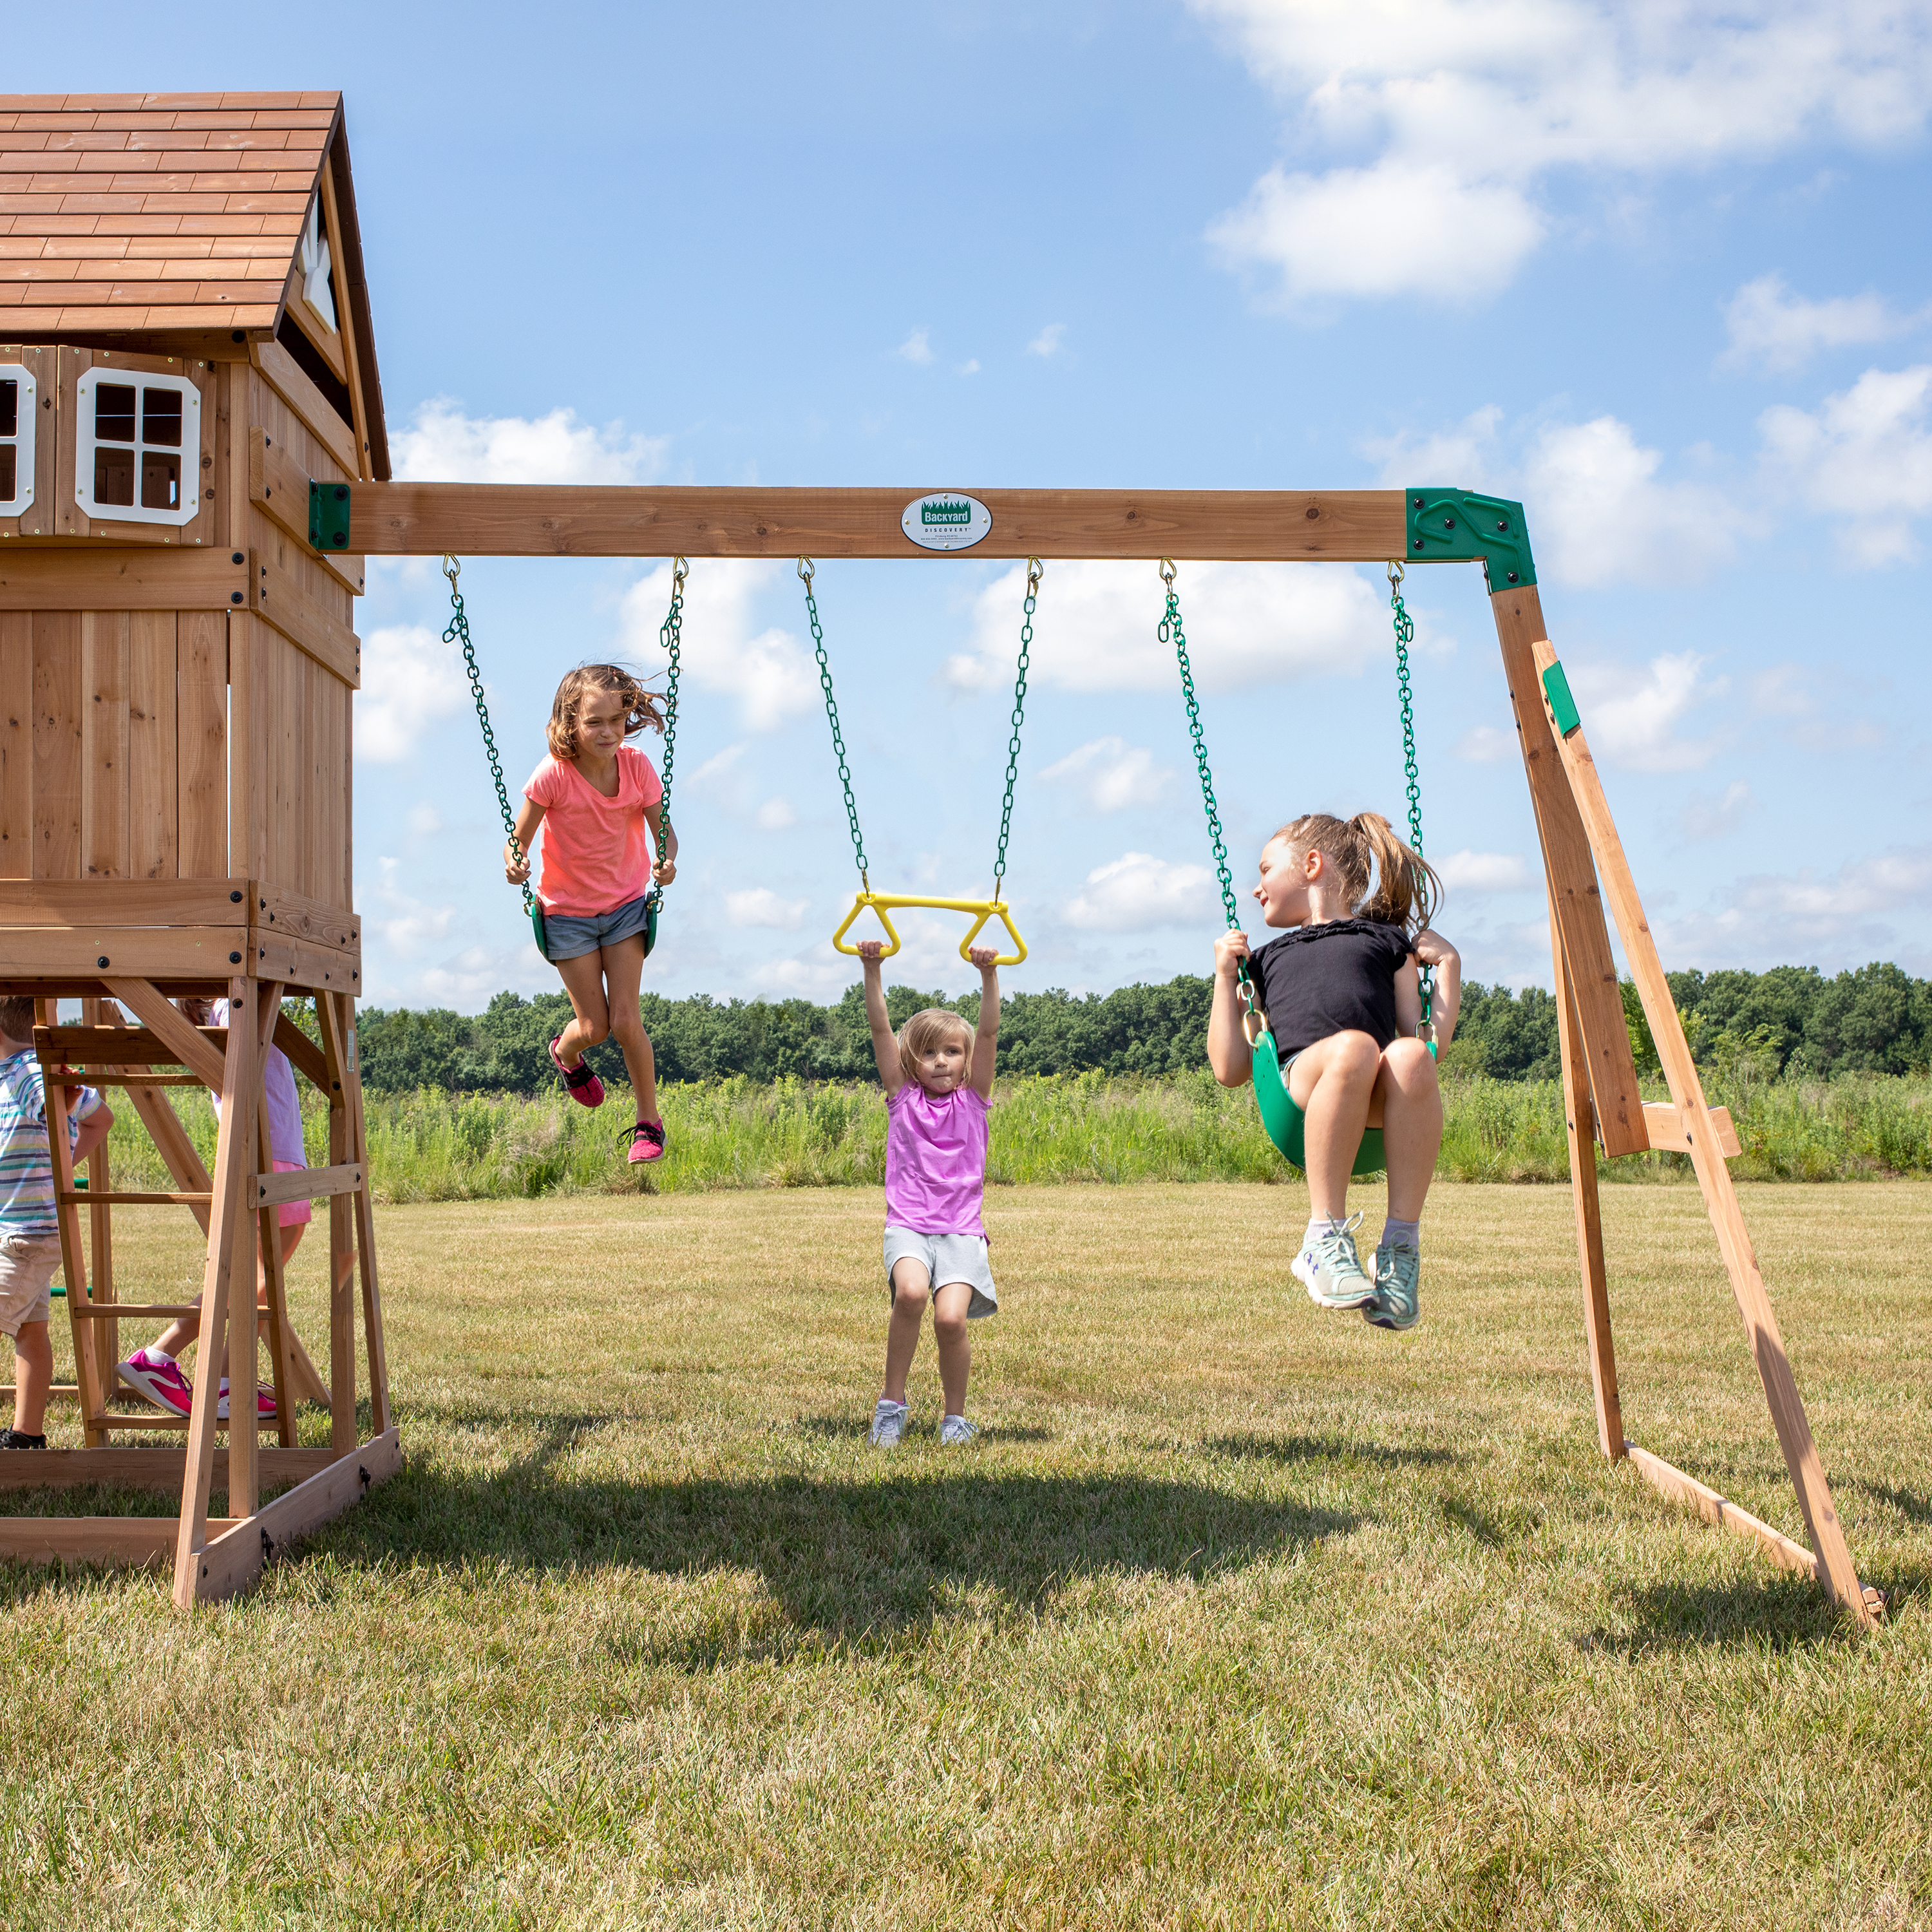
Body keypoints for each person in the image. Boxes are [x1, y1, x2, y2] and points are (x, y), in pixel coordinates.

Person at [1208, 812, 1461, 1332]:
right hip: (1300, 1094)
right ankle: (1323, 1236)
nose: (1255, 889)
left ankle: (1400, 1249)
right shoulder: (1265, 960)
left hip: (1373, 1100)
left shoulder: (1388, 943)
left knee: (1407, 1056)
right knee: (1353, 1050)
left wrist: (1449, 968)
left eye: (1265, 869)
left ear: (1312, 866)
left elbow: (1426, 1044)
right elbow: (1230, 1069)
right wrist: (1224, 978)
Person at [507, 663, 677, 1165]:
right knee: (596, 1026)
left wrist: (666, 859)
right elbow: (517, 842)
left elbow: (664, 831)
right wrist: (515, 863)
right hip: (567, 915)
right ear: (570, 724)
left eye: (617, 720)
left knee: (627, 1021)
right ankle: (566, 1052)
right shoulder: (553, 775)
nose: (608, 732)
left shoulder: (638, 767)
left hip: (625, 906)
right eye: (594, 722)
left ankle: (649, 1123)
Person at [118, 996, 308, 1423]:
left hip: (266, 1146)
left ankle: (216, 1377)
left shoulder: (231, 1008)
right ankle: (183, 1363)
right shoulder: (236, 1005)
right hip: (269, 1148)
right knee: (259, 1275)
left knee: (256, 1273)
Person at [858, 940, 1002, 1448]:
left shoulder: (976, 1099)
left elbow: (987, 1030)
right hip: (910, 1226)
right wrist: (872, 970)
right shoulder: (902, 1099)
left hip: (962, 1230)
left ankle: (955, 1419)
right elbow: (880, 1028)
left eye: (952, 1052)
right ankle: (890, 1408)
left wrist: (988, 975)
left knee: (950, 1318)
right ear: (911, 1061)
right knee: (913, 1294)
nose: (941, 1061)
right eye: (928, 1052)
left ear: (965, 1062)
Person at [0, 996, 112, 1450]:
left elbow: (61, 1107)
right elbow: (100, 1119)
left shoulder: (27, 1069)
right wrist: (62, 1161)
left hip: (27, 1234)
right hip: (23, 1229)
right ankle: (27, 1436)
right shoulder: (25, 1071)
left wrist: (61, 1105)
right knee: (31, 1332)